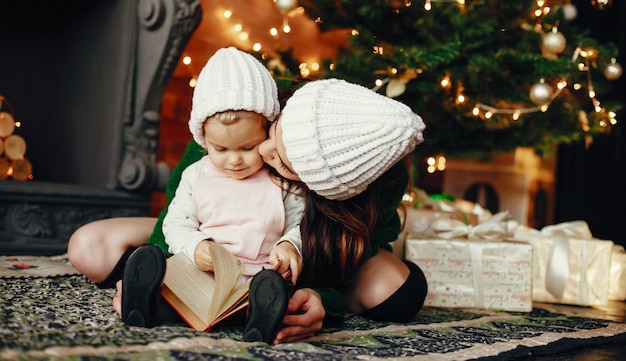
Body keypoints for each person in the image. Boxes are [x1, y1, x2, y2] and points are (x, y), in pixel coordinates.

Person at [68, 75, 428, 345]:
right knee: (88, 246)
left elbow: (346, 251)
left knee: (399, 292)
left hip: (301, 241)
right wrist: (164, 273)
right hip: (209, 226)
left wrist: (322, 301)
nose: (264, 152)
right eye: (272, 134)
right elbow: (179, 206)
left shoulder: (377, 180)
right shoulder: (242, 107)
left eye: (284, 163)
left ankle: (268, 299)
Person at [119, 47, 304, 344]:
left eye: (247, 147)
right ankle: (145, 302)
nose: (234, 160)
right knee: (174, 288)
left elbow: (301, 224)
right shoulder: (196, 174)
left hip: (257, 276)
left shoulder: (280, 179)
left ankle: (259, 319)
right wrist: (195, 246)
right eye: (221, 149)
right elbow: (175, 223)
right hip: (202, 274)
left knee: (274, 292)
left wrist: (289, 244)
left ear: (267, 131)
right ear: (204, 140)